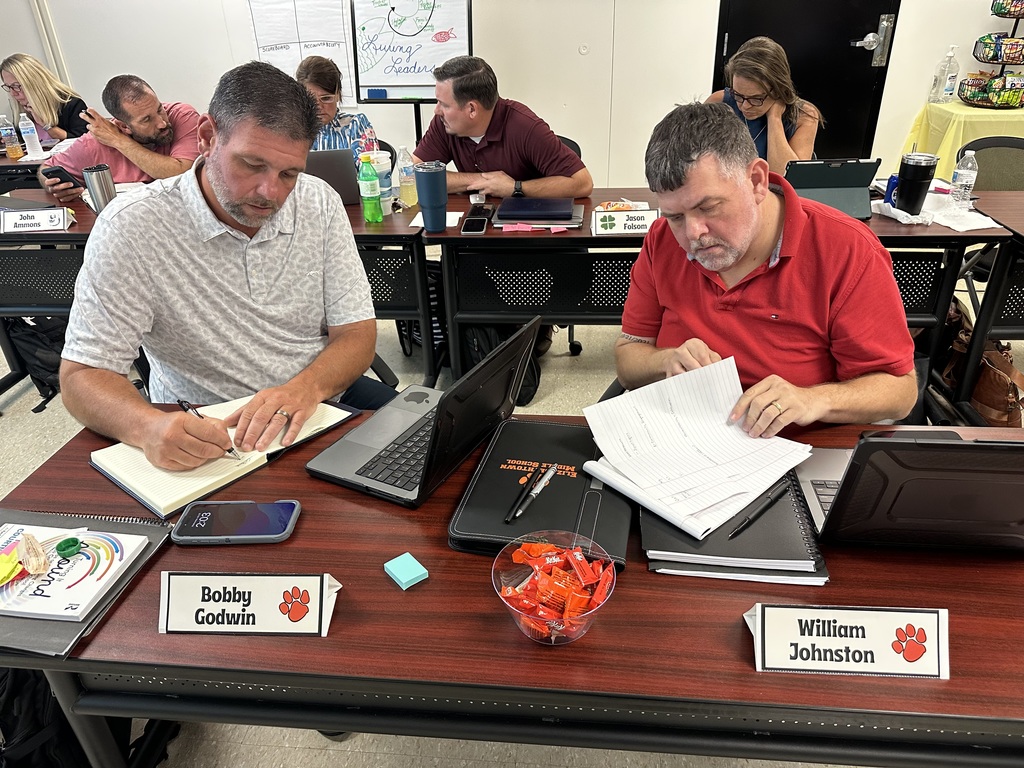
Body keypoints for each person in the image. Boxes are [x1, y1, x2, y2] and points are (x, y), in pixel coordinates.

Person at [60, 61, 396, 471]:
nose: (270, 192)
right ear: (206, 137)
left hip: (316, 401)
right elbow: (82, 375)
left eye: (289, 173)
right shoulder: (132, 226)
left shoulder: (318, 201)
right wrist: (147, 426)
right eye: (252, 165)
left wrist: (303, 389)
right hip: (208, 426)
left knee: (441, 450)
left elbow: (357, 333)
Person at [616, 102, 916, 438]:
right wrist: (665, 361)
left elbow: (900, 392)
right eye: (674, 217)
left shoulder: (846, 250)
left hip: (796, 449)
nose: (693, 233)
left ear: (757, 180)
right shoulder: (662, 242)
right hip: (684, 438)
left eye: (709, 207)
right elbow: (628, 360)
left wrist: (811, 400)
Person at [413, 55, 593, 198]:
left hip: (529, 230)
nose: (437, 111)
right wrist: (483, 180)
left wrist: (516, 188)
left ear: (472, 109)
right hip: (475, 230)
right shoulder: (444, 123)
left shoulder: (525, 127)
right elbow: (412, 175)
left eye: (444, 104)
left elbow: (582, 183)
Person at [38, 74, 200, 203]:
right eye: (146, 120)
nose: (162, 123)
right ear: (124, 126)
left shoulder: (182, 115)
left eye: (159, 109)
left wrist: (119, 141)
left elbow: (182, 174)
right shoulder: (93, 143)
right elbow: (45, 169)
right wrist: (52, 185)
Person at [705, 36, 823, 175]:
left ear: (779, 89)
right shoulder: (719, 102)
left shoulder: (804, 116)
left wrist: (774, 118)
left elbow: (789, 179)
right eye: (737, 95)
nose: (745, 106)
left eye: (756, 98)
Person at [295, 55, 375, 160]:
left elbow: (372, 173)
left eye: (326, 98)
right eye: (311, 99)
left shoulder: (355, 125)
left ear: (338, 95)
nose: (318, 106)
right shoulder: (293, 130)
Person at [1, 53, 88, 141]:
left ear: (35, 83)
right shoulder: (21, 111)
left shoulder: (71, 104)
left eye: (16, 86)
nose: (13, 93)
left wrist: (46, 125)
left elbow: (83, 143)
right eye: (8, 87)